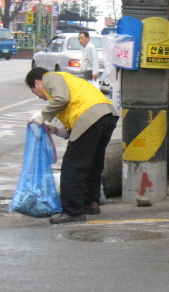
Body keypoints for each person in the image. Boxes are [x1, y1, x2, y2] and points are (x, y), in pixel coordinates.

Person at [25, 67, 119, 224]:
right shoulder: (72, 85)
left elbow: (61, 98)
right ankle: (91, 203)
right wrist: (55, 130)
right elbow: (77, 129)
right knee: (93, 162)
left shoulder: (50, 77)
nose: (42, 98)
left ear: (37, 82)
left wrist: (42, 114)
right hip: (107, 116)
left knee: (72, 166)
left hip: (91, 116)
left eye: (36, 93)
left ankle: (73, 211)